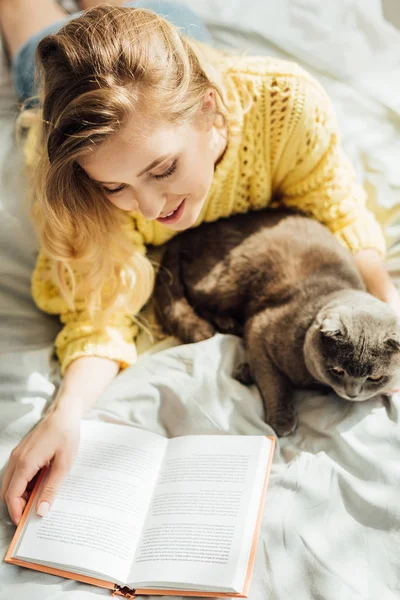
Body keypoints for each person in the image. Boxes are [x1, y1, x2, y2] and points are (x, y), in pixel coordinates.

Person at [0, 0, 398, 527]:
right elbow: (99, 311)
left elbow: (336, 204)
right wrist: (63, 417)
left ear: (211, 111)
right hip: (62, 65)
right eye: (115, 186)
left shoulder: (285, 103)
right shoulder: (72, 176)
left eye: (163, 168)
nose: (149, 207)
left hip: (168, 30)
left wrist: (385, 307)